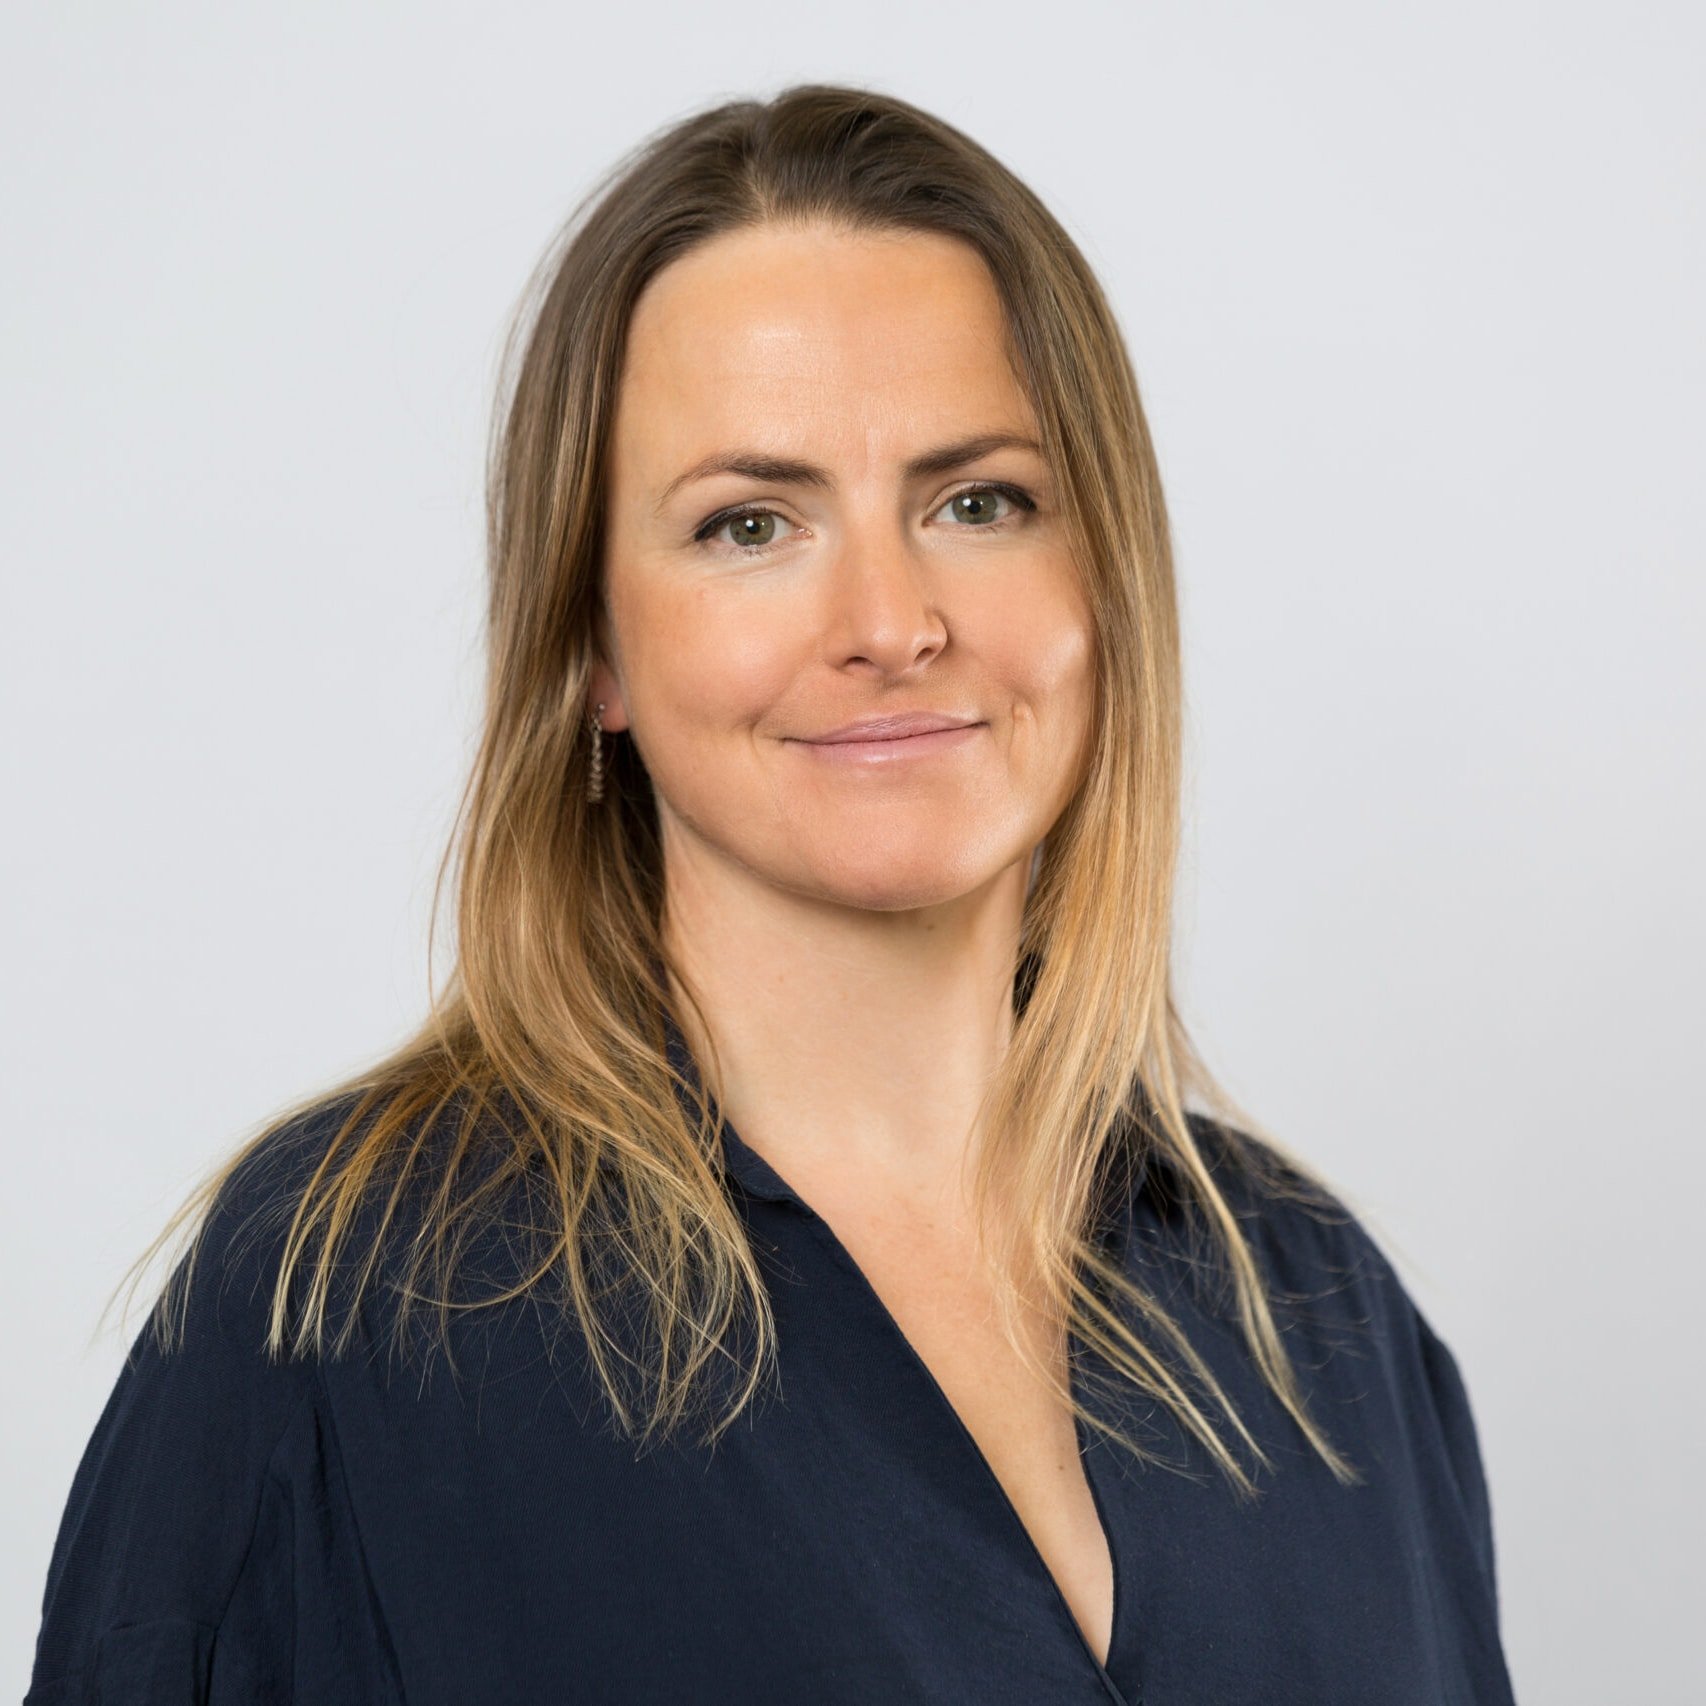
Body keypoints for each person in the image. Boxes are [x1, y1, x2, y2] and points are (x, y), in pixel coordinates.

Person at [23, 84, 1517, 1706]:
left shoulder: (1325, 1325)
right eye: (750, 524)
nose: (888, 620)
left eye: (977, 501)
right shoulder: (348, 1309)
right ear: (591, 646)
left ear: (1103, 582)